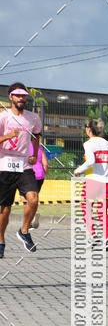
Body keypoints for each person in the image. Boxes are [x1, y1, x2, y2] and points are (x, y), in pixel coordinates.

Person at [0, 83, 42, 257]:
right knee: (5, 208)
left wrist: (34, 154)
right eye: (17, 95)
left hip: (24, 165)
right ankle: (1, 240)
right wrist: (8, 136)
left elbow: (36, 135)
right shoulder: (3, 117)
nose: (21, 98)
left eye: (23, 96)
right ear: (10, 97)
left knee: (33, 199)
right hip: (4, 164)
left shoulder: (33, 118)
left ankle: (24, 231)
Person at [73, 119, 108, 251]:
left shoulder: (88, 144)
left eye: (85, 126)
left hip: (93, 181)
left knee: (86, 208)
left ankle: (94, 235)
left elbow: (90, 161)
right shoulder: (107, 143)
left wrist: (78, 170)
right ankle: (107, 240)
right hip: (107, 182)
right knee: (103, 212)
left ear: (89, 129)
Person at [19, 141, 48, 230]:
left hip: (28, 175)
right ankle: (33, 216)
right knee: (34, 198)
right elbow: (46, 164)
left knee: (24, 198)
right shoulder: (38, 147)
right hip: (40, 175)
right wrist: (43, 174)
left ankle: (30, 220)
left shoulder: (23, 145)